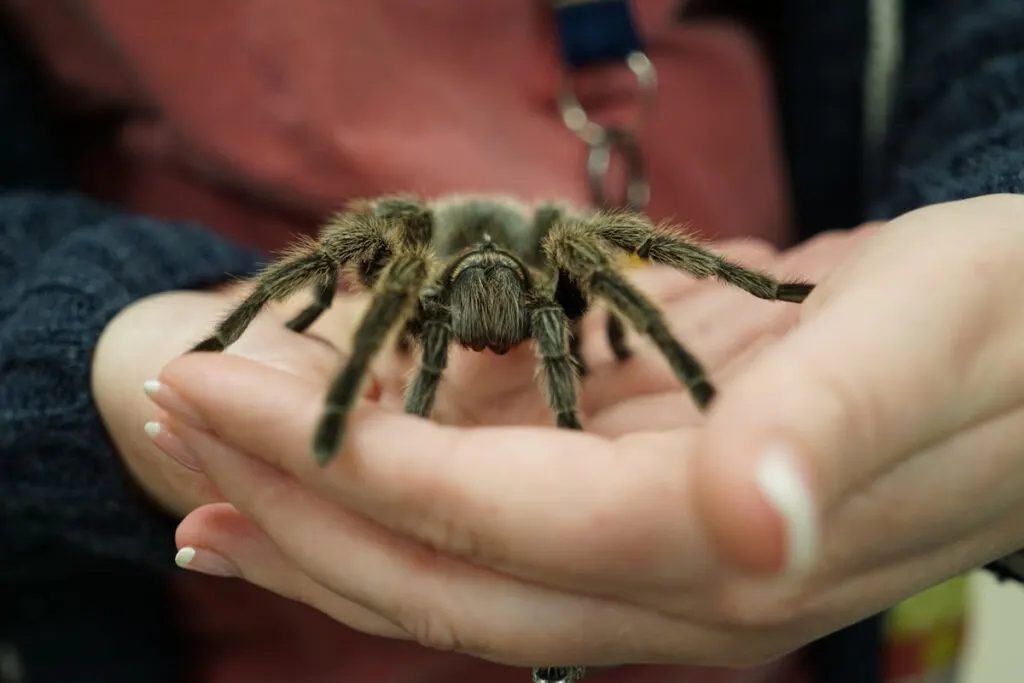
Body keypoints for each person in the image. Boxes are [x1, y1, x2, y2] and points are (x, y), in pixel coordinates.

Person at [2, 2, 1023, 683]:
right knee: (381, 240)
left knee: (618, 255)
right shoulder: (412, 261)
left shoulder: (555, 264)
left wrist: (997, 201)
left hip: (809, 621)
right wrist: (149, 326)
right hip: (242, 635)